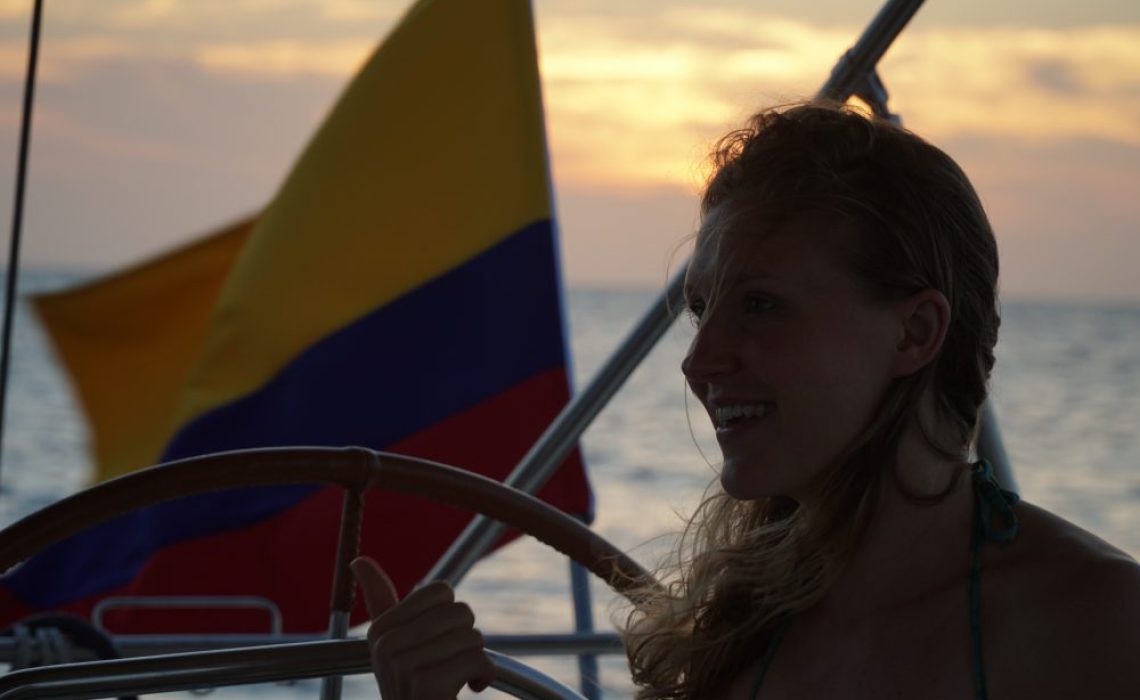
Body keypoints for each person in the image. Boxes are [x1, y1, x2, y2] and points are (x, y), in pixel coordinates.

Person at [351, 102, 1140, 699]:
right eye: (701, 310)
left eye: (759, 305)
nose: (698, 361)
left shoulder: (1096, 624)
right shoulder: (735, 634)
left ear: (915, 333)